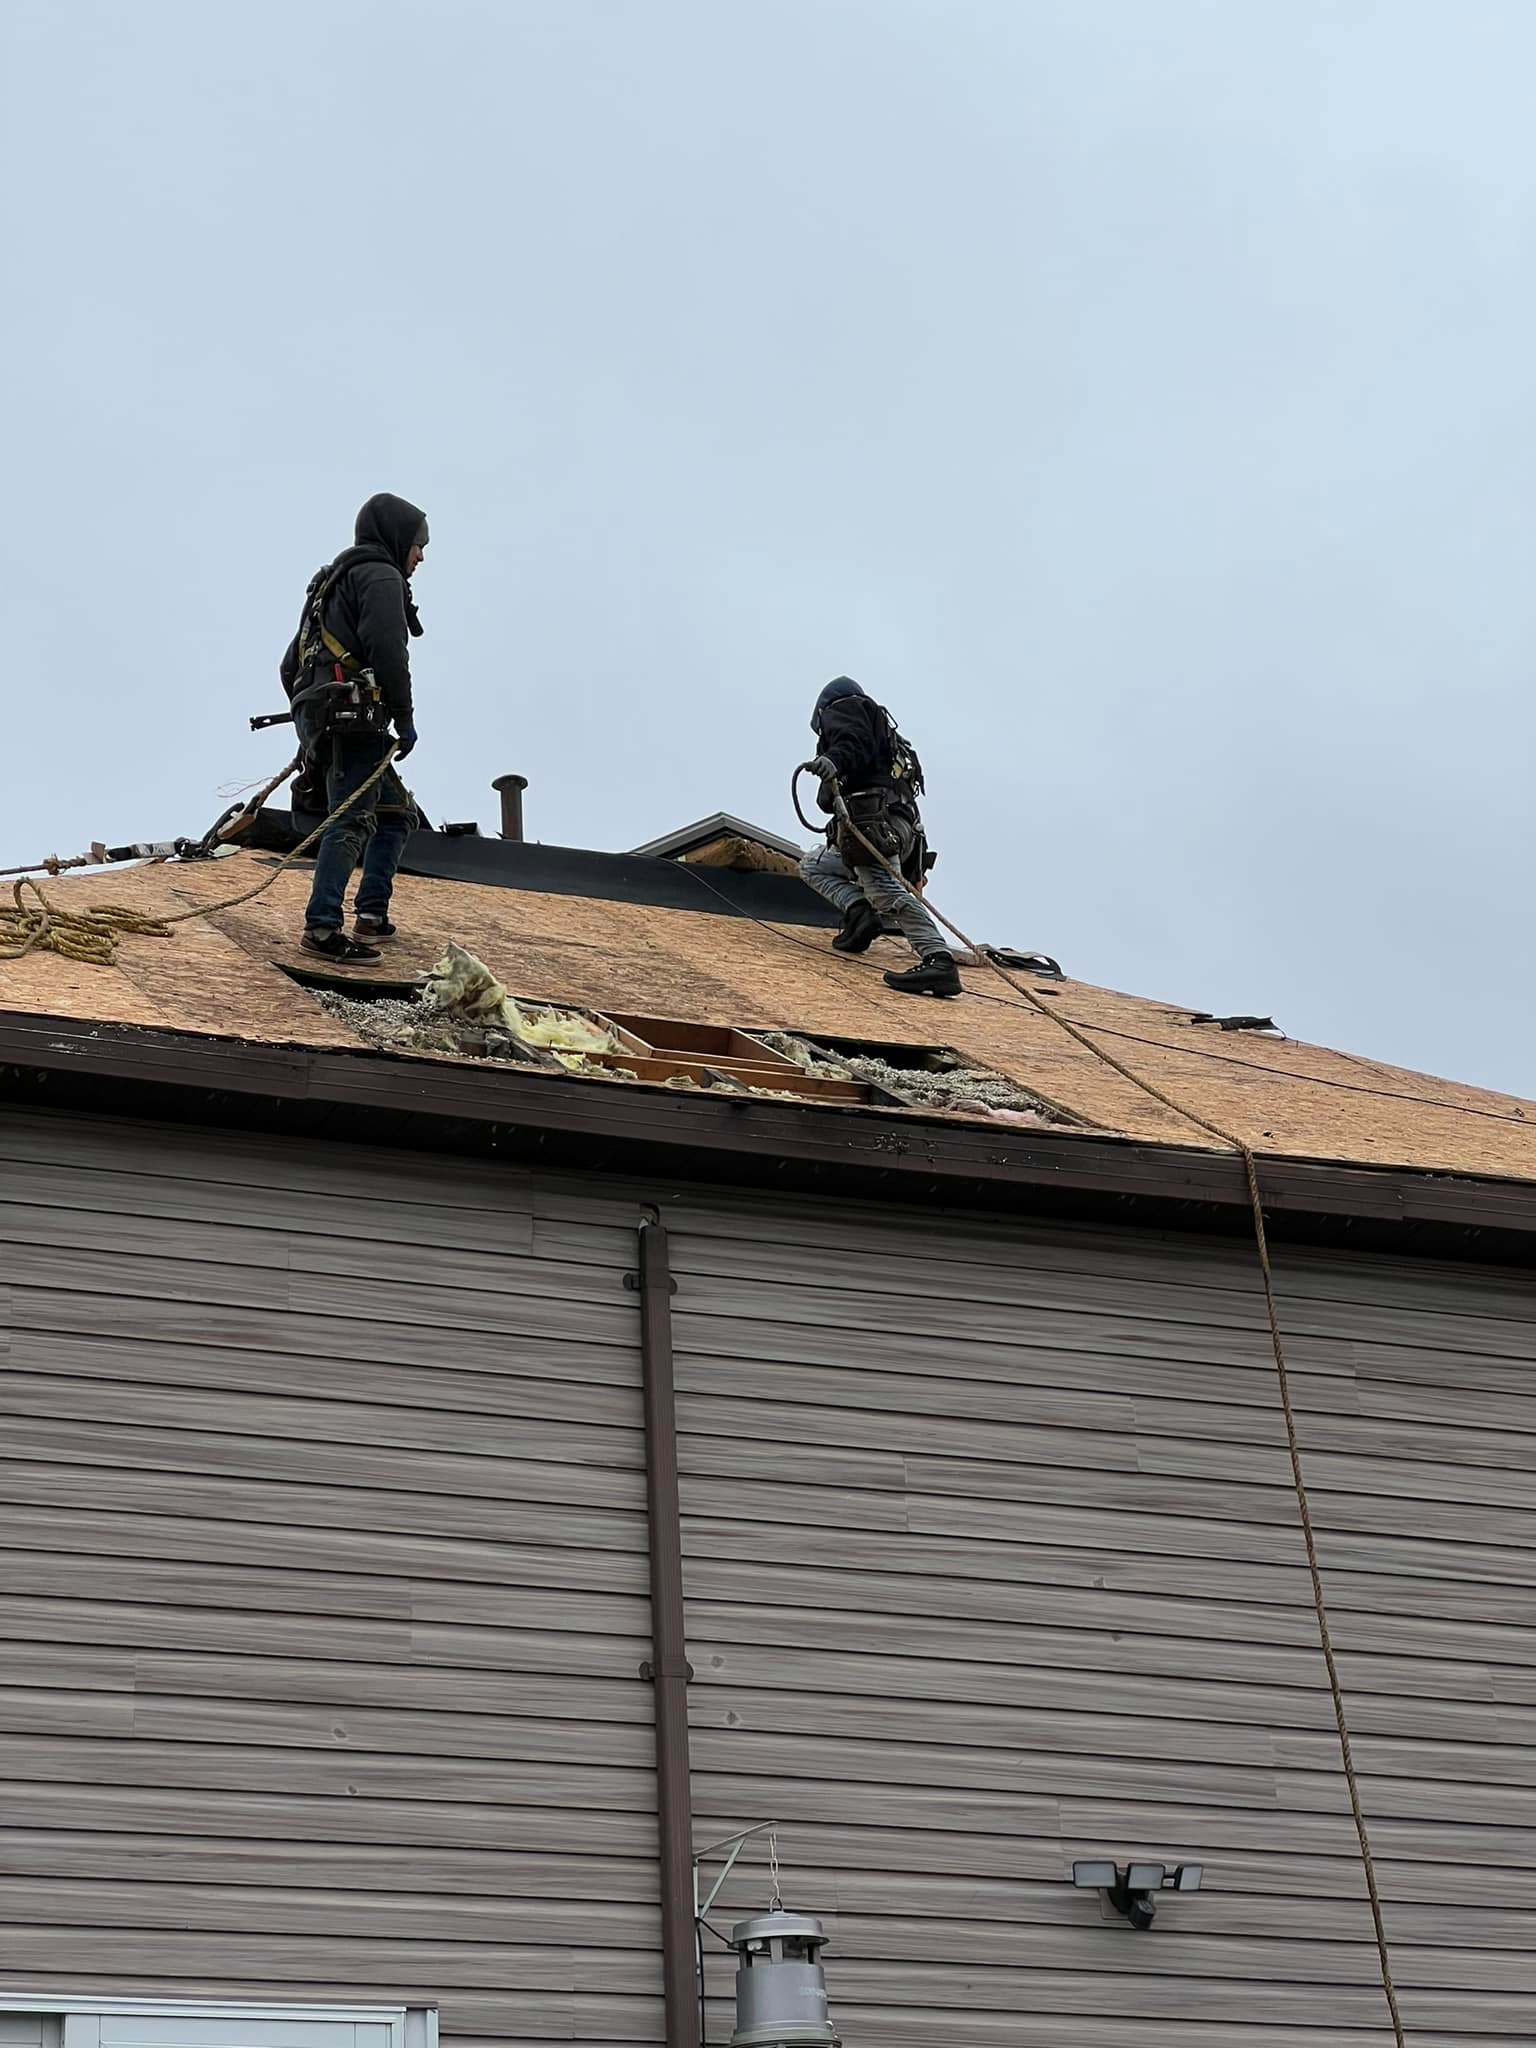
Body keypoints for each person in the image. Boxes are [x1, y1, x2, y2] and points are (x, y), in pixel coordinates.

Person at [279, 493, 429, 961]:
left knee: (397, 812)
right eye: (419, 545)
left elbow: (288, 666)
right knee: (352, 818)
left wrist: (308, 726)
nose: (421, 556)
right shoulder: (380, 575)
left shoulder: (330, 584)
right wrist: (404, 716)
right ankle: (322, 929)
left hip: (326, 716)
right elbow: (388, 649)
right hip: (352, 720)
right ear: (397, 538)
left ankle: (371, 915)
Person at [798, 676, 963, 997]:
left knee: (884, 891)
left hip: (873, 826)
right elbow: (831, 797)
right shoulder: (883, 739)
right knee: (815, 866)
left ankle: (939, 960)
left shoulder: (845, 708)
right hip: (894, 829)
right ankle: (861, 915)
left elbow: (852, 741)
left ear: (821, 713)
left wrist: (833, 759)